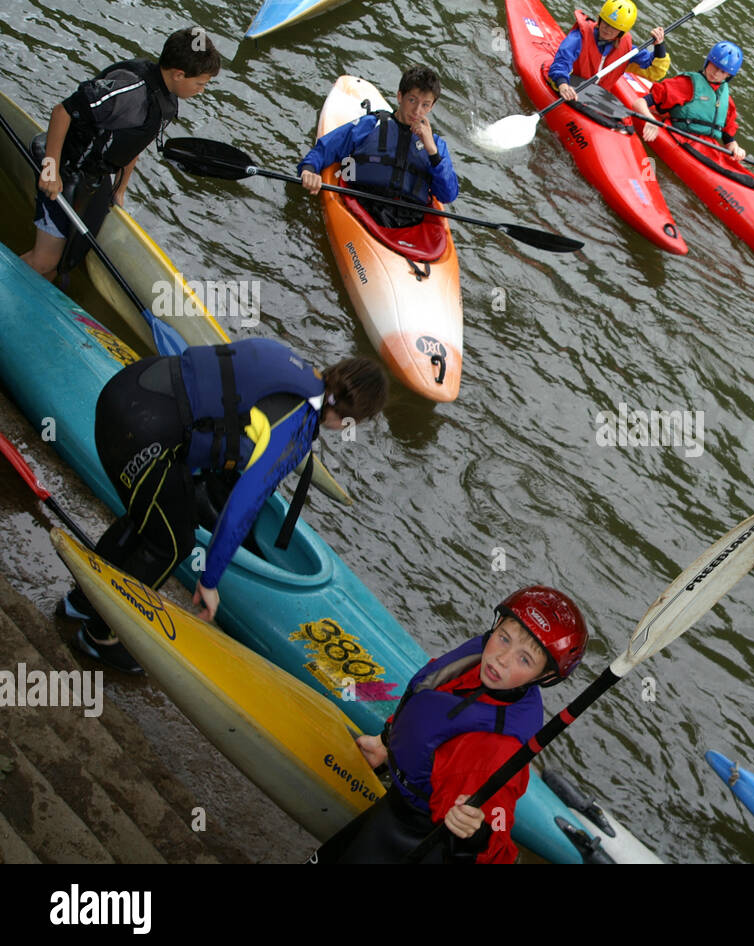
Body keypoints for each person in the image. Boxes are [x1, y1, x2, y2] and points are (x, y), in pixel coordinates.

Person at [63, 339, 389, 673]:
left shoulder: (291, 362)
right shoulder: (297, 427)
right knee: (172, 543)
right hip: (144, 432)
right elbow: (240, 509)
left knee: (152, 518)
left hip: (130, 386)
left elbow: (212, 401)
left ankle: (81, 601)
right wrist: (209, 580)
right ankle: (101, 635)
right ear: (351, 419)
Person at [313, 586, 588, 864]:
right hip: (397, 802)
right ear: (496, 625)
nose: (502, 659)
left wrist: (476, 832)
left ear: (545, 676)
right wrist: (386, 742)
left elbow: (499, 837)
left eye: (524, 659)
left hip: (419, 838)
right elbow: (431, 702)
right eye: (504, 638)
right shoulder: (478, 662)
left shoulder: (497, 747)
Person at [21, 26, 221, 280]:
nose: (201, 90)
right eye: (200, 83)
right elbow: (63, 111)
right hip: (64, 167)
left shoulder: (164, 97)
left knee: (62, 262)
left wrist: (120, 188)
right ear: (179, 74)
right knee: (44, 261)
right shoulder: (129, 90)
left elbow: (134, 144)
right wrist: (50, 171)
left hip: (94, 175)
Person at [298, 66, 458, 230]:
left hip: (408, 222)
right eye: (412, 100)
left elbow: (448, 195)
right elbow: (326, 148)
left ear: (431, 107)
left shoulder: (436, 145)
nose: (417, 111)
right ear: (400, 96)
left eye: (425, 105)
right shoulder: (371, 124)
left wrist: (432, 152)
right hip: (363, 206)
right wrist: (309, 170)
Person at [633, 41, 747, 163]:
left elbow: (727, 136)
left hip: (707, 148)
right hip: (682, 139)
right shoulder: (685, 84)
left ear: (729, 76)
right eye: (715, 66)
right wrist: (651, 121)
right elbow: (639, 103)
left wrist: (735, 147)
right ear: (708, 62)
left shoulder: (726, 100)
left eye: (722, 71)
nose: (716, 73)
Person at [547, 0, 670, 102]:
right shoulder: (579, 37)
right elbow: (562, 61)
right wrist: (562, 83)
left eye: (613, 28)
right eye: (605, 23)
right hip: (570, 87)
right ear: (599, 20)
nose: (607, 29)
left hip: (594, 97)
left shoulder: (627, 51)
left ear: (621, 32)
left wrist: (659, 46)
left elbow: (654, 71)